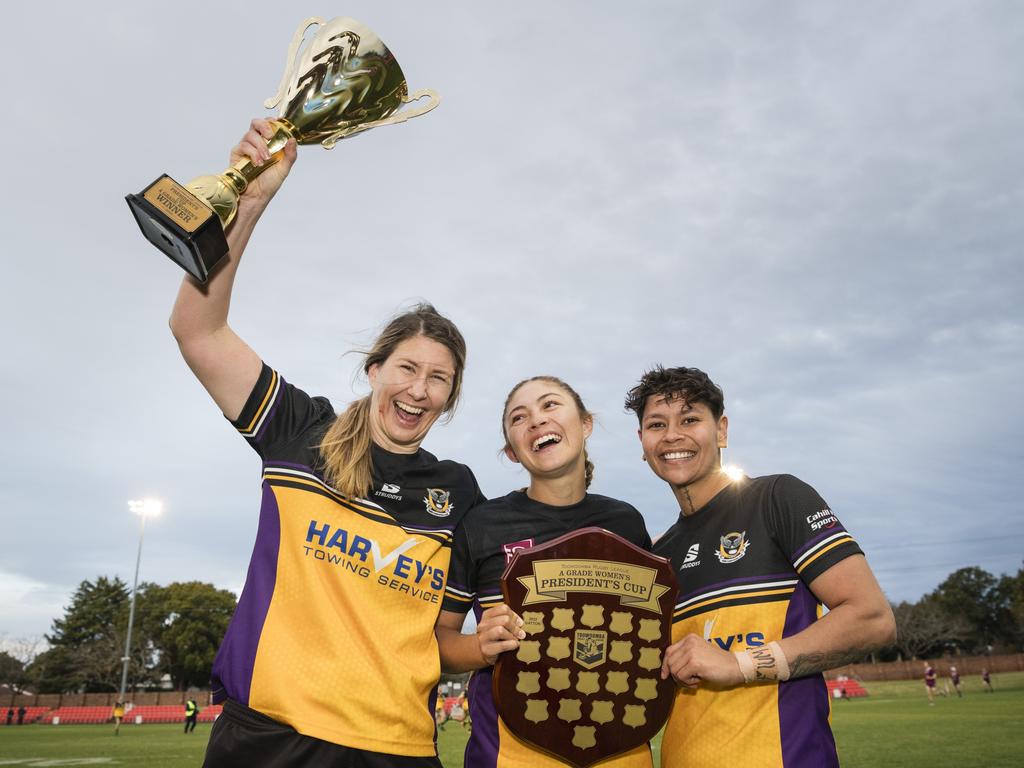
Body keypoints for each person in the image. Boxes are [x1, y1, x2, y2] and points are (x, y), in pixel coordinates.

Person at [169, 119, 483, 768]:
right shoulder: (297, 428)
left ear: (449, 400)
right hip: (265, 742)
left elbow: (462, 633)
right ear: (374, 370)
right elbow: (197, 330)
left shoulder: (458, 492)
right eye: (407, 368)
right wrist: (248, 204)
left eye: (439, 380)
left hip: (393, 750)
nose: (419, 390)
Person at [624, 366, 896, 768]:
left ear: (722, 430)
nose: (672, 436)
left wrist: (738, 664)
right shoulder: (659, 554)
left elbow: (873, 620)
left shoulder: (777, 498)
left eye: (690, 419)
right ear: (642, 441)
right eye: (657, 424)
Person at [437, 376, 654, 768]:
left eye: (550, 405)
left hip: (619, 751)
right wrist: (478, 648)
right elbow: (439, 641)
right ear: (513, 452)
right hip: (510, 752)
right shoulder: (482, 524)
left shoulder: (626, 523)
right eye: (519, 417)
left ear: (586, 424)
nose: (536, 420)